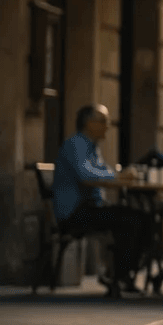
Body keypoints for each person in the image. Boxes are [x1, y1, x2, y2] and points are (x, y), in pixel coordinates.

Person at [51, 104, 153, 298]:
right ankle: (119, 276)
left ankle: (123, 274)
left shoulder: (92, 147)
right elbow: (86, 174)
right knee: (132, 220)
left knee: (143, 219)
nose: (108, 126)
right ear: (89, 123)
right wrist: (118, 177)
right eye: (104, 121)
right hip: (74, 213)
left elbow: (103, 172)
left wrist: (118, 176)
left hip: (90, 208)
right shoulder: (76, 144)